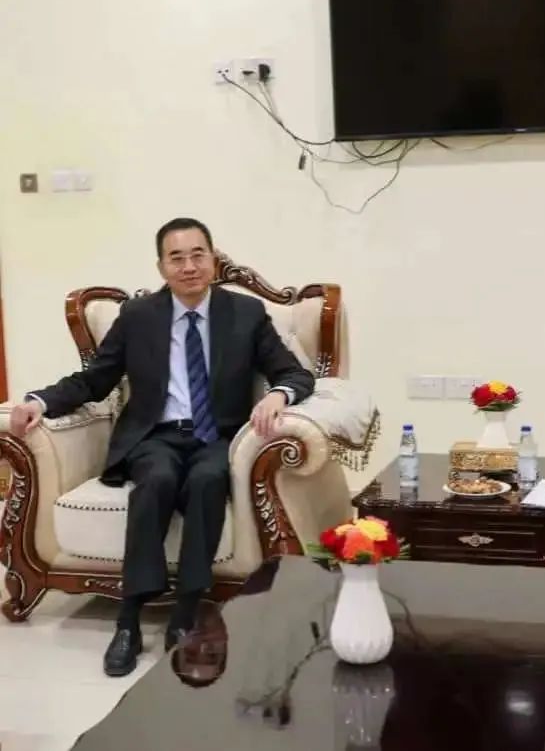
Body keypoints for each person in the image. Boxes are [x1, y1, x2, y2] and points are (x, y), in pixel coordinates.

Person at [6, 218, 314, 677]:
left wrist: (278, 395)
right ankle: (128, 621)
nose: (189, 266)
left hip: (217, 436)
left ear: (213, 259)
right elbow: (95, 380)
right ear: (161, 267)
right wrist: (39, 401)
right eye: (177, 258)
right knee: (157, 480)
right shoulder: (139, 316)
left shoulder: (245, 313)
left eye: (198, 255)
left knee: (209, 478)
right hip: (155, 435)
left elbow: (294, 373)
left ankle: (185, 613)